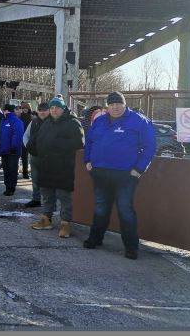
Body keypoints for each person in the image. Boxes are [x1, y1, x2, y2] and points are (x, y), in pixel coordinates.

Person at [83, 92, 156, 260]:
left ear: (124, 104)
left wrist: (139, 169)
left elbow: (150, 146)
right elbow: (90, 141)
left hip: (125, 175)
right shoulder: (100, 121)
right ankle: (95, 239)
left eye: (119, 104)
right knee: (101, 208)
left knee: (125, 210)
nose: (115, 107)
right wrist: (87, 160)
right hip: (100, 173)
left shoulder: (138, 121)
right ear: (107, 106)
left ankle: (131, 247)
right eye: (111, 104)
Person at [28, 96, 84, 238]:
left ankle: (65, 223)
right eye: (52, 108)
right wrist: (32, 147)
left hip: (64, 167)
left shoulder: (72, 123)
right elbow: (38, 139)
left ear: (63, 108)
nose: (54, 110)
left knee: (64, 196)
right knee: (46, 194)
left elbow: (79, 143)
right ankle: (46, 219)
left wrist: (56, 144)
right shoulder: (46, 122)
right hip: (46, 165)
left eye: (57, 108)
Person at [22, 102, 50, 208]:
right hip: (34, 156)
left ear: (49, 111)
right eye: (40, 110)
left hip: (49, 157)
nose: (42, 112)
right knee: (35, 179)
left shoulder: (53, 122)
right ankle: (36, 199)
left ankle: (50, 203)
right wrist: (28, 147)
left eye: (44, 110)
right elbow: (26, 136)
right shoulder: (33, 122)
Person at [0, 104, 24, 196]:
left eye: (5, 110)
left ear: (7, 111)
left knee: (12, 170)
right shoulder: (3, 121)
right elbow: (1, 135)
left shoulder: (16, 121)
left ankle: (11, 188)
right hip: (4, 150)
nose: (4, 112)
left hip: (13, 151)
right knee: (6, 170)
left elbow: (18, 135)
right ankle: (8, 187)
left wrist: (14, 147)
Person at [19, 102, 33, 179]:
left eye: (26, 109)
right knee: (21, 157)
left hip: (28, 140)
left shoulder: (32, 118)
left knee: (26, 158)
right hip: (20, 139)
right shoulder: (19, 117)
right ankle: (20, 172)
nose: (25, 110)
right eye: (23, 108)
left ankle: (25, 173)